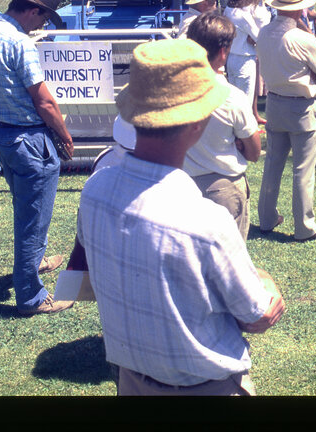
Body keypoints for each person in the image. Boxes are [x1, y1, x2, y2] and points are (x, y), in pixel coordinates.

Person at [77, 38, 285, 395]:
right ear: (197, 123)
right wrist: (266, 281)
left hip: (132, 382)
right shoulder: (206, 222)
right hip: (206, 388)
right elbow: (258, 315)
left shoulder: (95, 190)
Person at [0, 0, 75, 316]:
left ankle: (37, 260)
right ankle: (31, 297)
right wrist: (64, 135)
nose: (41, 26)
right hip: (30, 141)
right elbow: (44, 102)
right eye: (43, 19)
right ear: (32, 11)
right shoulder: (20, 42)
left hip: (2, 136)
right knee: (33, 217)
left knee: (27, 208)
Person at [256, 0, 316, 241]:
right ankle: (305, 227)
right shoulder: (302, 38)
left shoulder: (264, 32)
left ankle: (266, 218)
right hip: (301, 107)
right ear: (299, 9)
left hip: (275, 103)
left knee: (273, 164)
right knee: (303, 170)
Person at [183, 13, 262, 239]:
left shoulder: (174, 89)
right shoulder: (231, 97)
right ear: (223, 52)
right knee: (228, 257)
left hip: (182, 186)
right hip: (223, 190)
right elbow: (254, 152)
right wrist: (238, 144)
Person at [224, 0, 266, 124]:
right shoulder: (244, 16)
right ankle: (245, 131)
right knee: (245, 100)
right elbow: (259, 37)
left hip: (231, 57)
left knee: (233, 98)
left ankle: (235, 129)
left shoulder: (229, 10)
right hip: (244, 59)